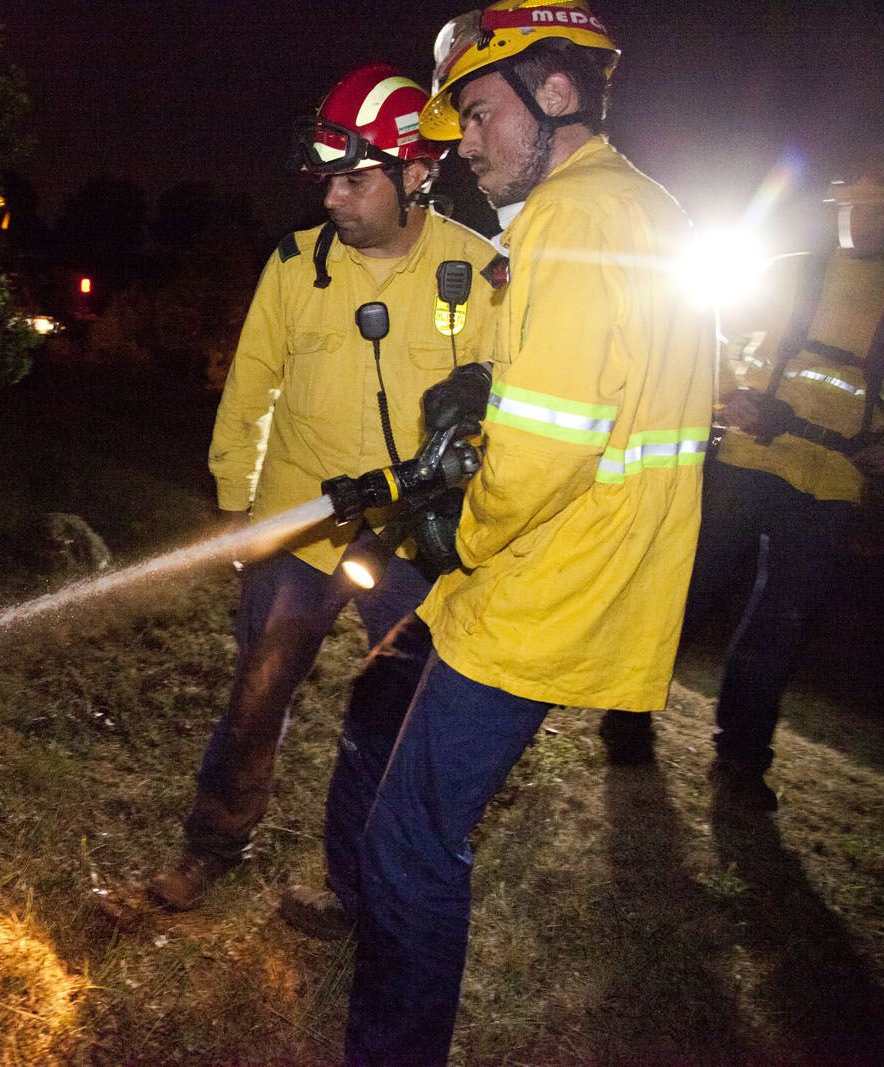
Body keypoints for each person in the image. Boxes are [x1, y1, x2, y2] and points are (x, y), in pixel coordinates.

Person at [345, 3, 714, 1063]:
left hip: (539, 582)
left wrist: (455, 531)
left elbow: (551, 440)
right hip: (569, 571)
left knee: (411, 844)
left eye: (478, 113)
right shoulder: (646, 208)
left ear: (555, 95)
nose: (463, 142)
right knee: (389, 746)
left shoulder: (571, 216)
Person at [146, 63, 500, 912]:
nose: (333, 199)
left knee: (398, 716)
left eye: (354, 179)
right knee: (257, 690)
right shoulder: (295, 263)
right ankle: (212, 844)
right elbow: (251, 386)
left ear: (418, 172)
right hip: (301, 528)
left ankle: (357, 884)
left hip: (412, 540)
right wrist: (237, 505)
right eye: (324, 181)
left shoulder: (485, 275)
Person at [600, 148, 884, 806]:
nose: (861, 215)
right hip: (748, 459)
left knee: (781, 623)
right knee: (690, 587)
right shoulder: (788, 273)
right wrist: (729, 393)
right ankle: (626, 711)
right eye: (852, 200)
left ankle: (742, 759)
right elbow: (711, 333)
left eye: (880, 205)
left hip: (831, 483)